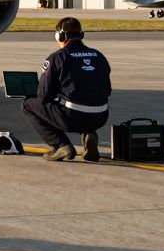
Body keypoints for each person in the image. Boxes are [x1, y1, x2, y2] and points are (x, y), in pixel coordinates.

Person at [22, 17, 111, 162]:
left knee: (28, 105)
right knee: (84, 100)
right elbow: (107, 91)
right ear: (82, 35)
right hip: (100, 118)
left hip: (71, 118)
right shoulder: (99, 56)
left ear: (60, 36)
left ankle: (61, 145)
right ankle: (90, 134)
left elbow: (44, 95)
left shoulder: (57, 57)